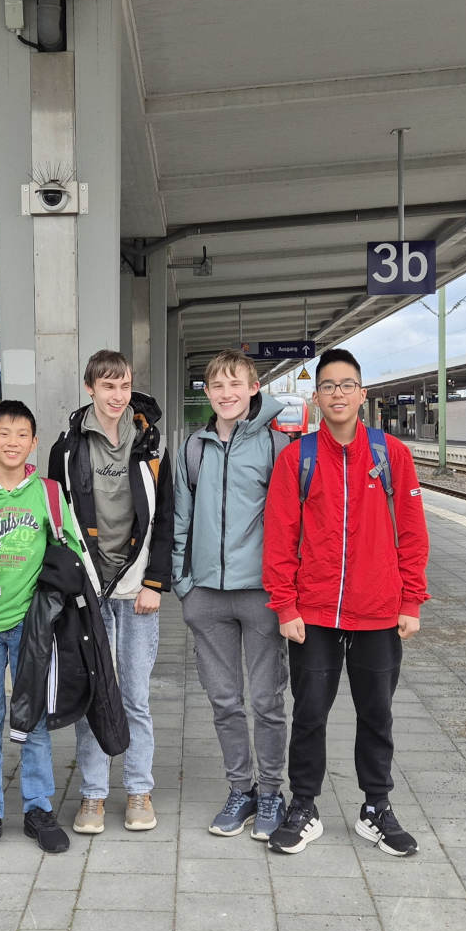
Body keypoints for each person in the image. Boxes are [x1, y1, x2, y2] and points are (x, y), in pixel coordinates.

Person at [262, 348, 430, 857]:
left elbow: (412, 531)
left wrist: (412, 600)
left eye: (346, 384)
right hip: (313, 613)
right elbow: (279, 536)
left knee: (376, 712)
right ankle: (304, 805)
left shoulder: (391, 454)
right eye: (328, 385)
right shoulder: (298, 457)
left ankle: (375, 807)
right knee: (310, 712)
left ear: (362, 393)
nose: (337, 393)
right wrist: (285, 606)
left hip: (378, 611)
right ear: (316, 396)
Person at [0, 400, 83, 858]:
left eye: (21, 434)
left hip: (32, 626)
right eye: (3, 434)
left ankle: (38, 809)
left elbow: (68, 549)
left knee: (34, 718)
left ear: (33, 442)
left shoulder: (46, 492)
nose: (12, 442)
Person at [49, 350, 174, 834]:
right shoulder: (67, 447)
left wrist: (155, 582)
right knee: (93, 692)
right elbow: (57, 519)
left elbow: (164, 518)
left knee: (135, 697)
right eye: (107, 387)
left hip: (136, 587)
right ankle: (93, 796)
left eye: (123, 386)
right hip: (89, 588)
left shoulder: (148, 443)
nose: (117, 396)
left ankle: (139, 790)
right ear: (90, 389)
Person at [173, 350, 292, 841]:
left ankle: (270, 793)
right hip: (207, 595)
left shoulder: (276, 446)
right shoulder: (191, 447)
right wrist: (185, 585)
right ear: (207, 392)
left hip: (261, 594)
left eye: (235, 384)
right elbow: (180, 517)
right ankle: (240, 790)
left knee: (266, 700)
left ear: (253, 387)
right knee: (224, 701)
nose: (226, 393)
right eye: (217, 385)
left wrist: (287, 591)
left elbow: (291, 524)